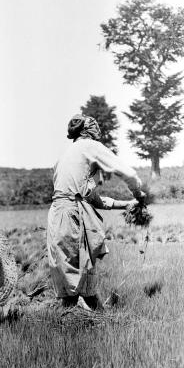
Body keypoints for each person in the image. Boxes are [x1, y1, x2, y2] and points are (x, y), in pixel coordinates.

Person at [47, 114, 146, 311]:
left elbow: (94, 200)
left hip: (57, 215)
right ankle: (99, 321)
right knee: (80, 280)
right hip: (72, 214)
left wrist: (128, 204)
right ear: (88, 131)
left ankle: (82, 322)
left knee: (70, 278)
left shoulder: (66, 156)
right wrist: (139, 194)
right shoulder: (90, 146)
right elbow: (127, 173)